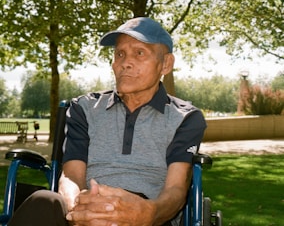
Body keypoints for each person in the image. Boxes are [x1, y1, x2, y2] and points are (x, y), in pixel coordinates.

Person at [8, 17, 207, 226]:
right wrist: (79, 211)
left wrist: (148, 213)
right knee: (43, 200)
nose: (125, 63)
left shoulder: (185, 117)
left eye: (140, 53)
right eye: (120, 54)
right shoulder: (84, 108)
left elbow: (176, 190)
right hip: (84, 206)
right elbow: (71, 176)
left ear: (166, 64)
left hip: (146, 213)